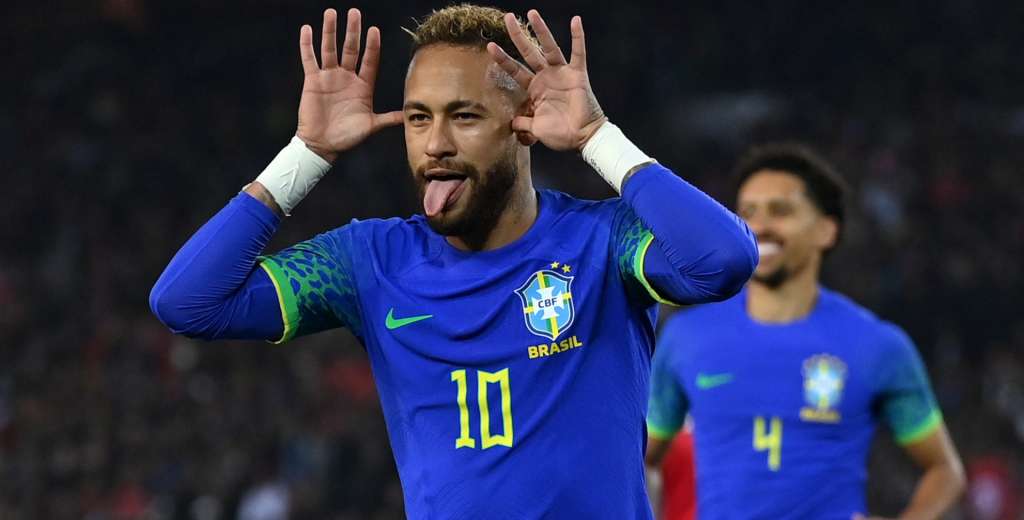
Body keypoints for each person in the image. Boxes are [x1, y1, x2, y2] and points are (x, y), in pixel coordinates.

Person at [149, 5, 757, 519]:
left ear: (523, 125)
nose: (435, 144)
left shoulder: (604, 241)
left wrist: (598, 137)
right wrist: (305, 155)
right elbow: (188, 302)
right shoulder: (368, 262)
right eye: (419, 118)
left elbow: (724, 260)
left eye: (464, 116)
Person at [645, 143, 966, 519]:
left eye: (780, 211)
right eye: (747, 213)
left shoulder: (877, 346)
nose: (759, 227)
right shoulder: (687, 337)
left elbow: (945, 470)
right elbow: (642, 458)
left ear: (827, 231)